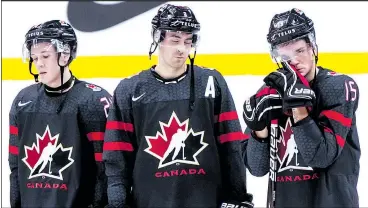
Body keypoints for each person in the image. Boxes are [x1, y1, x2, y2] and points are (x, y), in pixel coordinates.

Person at [103, 4, 253, 208]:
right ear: (158, 37)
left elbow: (232, 146)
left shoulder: (211, 83)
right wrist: (118, 204)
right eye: (175, 40)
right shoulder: (129, 90)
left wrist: (237, 197)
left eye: (188, 41)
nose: (182, 48)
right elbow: (116, 160)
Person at [242, 8, 360, 208]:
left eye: (299, 51)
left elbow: (322, 156)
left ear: (313, 47)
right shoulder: (270, 91)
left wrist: (298, 106)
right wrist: (258, 130)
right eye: (285, 56)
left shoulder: (338, 87)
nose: (294, 61)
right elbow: (257, 168)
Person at [8, 20, 111, 208]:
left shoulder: (94, 100)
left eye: (45, 56)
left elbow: (105, 170)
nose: (38, 64)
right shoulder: (24, 100)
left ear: (65, 55)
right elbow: (15, 166)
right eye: (35, 57)